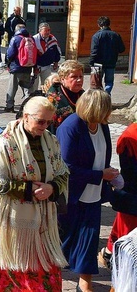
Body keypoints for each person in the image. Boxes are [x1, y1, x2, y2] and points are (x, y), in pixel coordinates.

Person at [0, 96, 69, 291]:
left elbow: (63, 172)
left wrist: (52, 188)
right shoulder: (5, 143)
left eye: (49, 122)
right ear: (26, 117)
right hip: (9, 221)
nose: (45, 126)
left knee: (43, 276)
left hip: (43, 220)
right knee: (5, 275)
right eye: (40, 121)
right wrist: (28, 190)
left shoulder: (52, 141)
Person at [57, 89, 119, 292]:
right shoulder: (71, 127)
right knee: (66, 239)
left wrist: (109, 176)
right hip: (72, 194)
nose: (109, 113)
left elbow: (104, 155)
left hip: (93, 194)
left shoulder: (102, 126)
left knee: (89, 237)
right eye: (107, 109)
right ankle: (49, 275)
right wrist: (100, 175)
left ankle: (85, 283)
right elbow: (66, 167)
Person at [100, 121, 137, 271]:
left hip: (131, 202)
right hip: (132, 201)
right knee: (126, 250)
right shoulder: (130, 137)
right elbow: (131, 176)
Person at [89, 16, 125, 94]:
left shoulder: (96, 36)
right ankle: (107, 94)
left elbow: (94, 51)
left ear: (99, 25)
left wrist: (91, 62)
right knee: (109, 82)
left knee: (96, 83)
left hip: (98, 63)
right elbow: (122, 49)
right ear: (109, 24)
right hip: (111, 62)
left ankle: (99, 99)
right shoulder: (116, 35)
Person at [45, 60, 85, 132]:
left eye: (81, 76)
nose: (79, 80)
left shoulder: (84, 95)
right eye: (74, 77)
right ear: (62, 79)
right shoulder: (53, 98)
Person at [4, 24, 33, 113]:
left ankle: (10, 106)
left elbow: (10, 54)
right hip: (28, 67)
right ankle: (28, 106)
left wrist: (8, 63)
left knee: (12, 88)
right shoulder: (31, 38)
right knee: (26, 88)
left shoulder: (15, 39)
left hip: (16, 67)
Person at [31, 22, 61, 90]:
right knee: (33, 87)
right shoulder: (34, 39)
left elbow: (56, 51)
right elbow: (32, 55)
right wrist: (34, 67)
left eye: (49, 30)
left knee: (47, 86)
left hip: (47, 66)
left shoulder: (52, 38)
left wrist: (56, 62)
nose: (48, 32)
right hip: (36, 67)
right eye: (45, 30)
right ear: (40, 31)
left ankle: (45, 99)